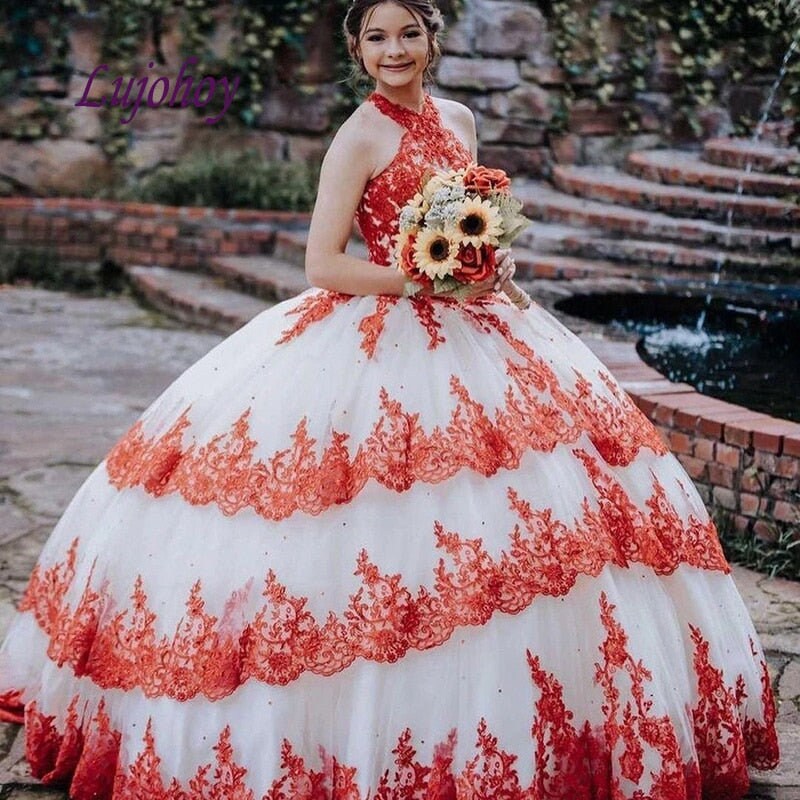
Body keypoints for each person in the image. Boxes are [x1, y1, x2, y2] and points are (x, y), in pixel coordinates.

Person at [0, 0, 780, 797]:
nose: (394, 49)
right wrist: (421, 279)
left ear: (432, 40)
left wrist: (490, 268)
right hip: (381, 327)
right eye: (377, 37)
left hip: (479, 327)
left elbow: (480, 224)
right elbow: (321, 263)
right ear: (358, 50)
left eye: (408, 33)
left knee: (552, 506)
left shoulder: (461, 119)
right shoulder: (359, 134)